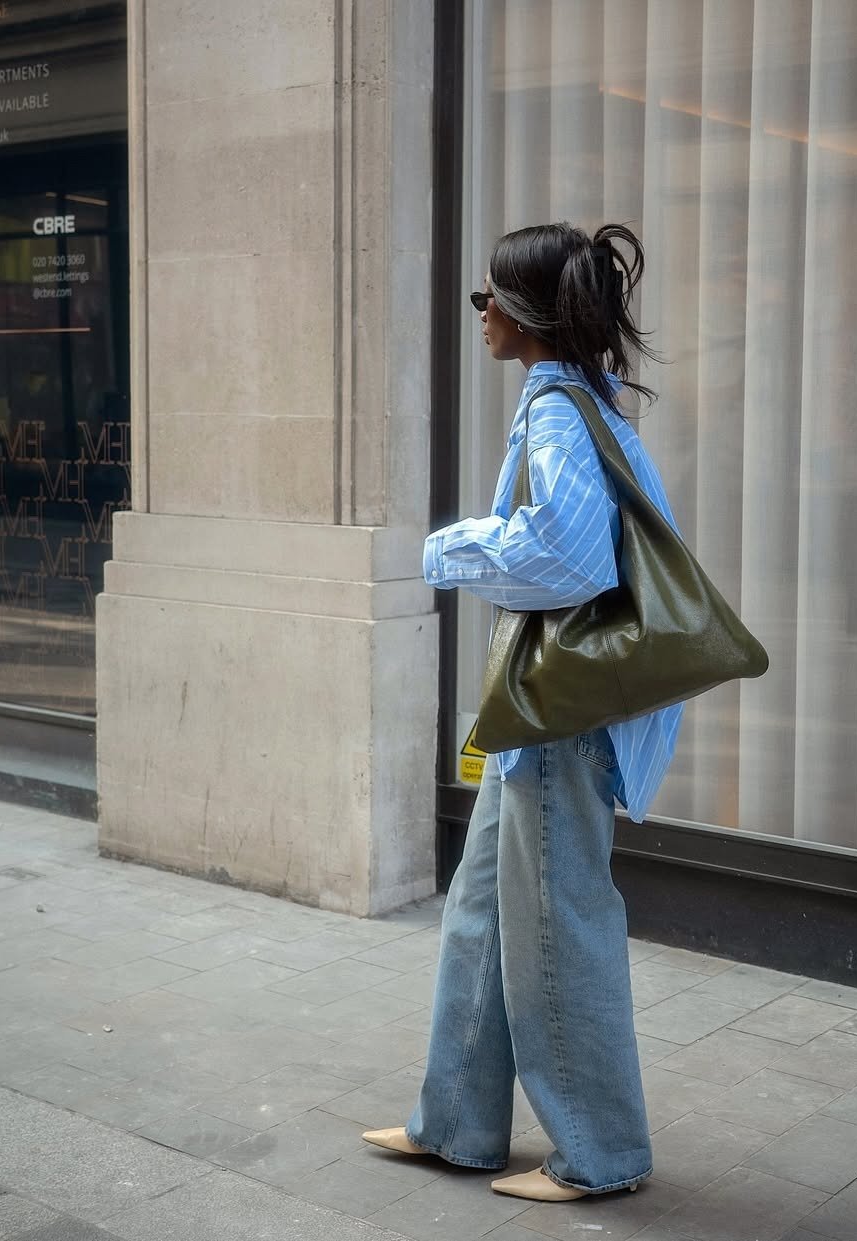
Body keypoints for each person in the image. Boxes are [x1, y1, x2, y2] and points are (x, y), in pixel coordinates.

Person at [361, 222, 684, 1202]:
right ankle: (457, 1119)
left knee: (557, 922)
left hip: (560, 713)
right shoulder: (580, 405)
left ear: (527, 313)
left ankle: (601, 1151)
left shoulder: (556, 414)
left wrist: (446, 547)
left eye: (488, 297)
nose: (482, 313)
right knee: (484, 911)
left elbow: (566, 556)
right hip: (543, 706)